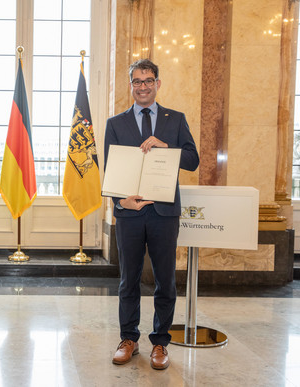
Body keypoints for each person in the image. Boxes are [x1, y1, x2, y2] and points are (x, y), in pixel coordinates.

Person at [104, 59, 199, 370]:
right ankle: (128, 339)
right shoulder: (116, 123)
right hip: (130, 214)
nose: (142, 86)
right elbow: (110, 170)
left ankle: (159, 343)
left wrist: (166, 146)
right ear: (131, 85)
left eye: (148, 80)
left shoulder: (176, 120)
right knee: (128, 280)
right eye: (137, 81)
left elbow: (193, 160)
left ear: (158, 84)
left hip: (164, 213)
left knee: (165, 281)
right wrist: (120, 202)